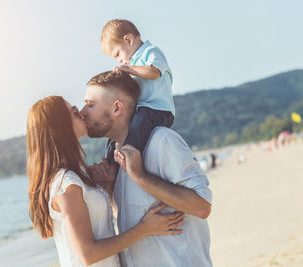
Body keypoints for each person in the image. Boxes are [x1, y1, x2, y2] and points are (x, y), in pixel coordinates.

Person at [26, 96, 184, 267]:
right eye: (73, 111)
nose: (80, 112)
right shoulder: (66, 182)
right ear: (60, 126)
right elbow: (88, 254)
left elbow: (99, 228)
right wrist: (144, 228)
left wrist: (106, 189)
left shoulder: (74, 176)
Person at [80, 71, 213, 266]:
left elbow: (202, 207)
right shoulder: (113, 157)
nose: (82, 112)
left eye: (90, 105)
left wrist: (140, 176)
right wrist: (108, 192)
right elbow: (131, 213)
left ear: (117, 108)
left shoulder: (162, 141)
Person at [100, 19, 175, 163]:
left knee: (139, 123)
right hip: (142, 110)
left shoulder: (151, 51)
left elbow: (153, 71)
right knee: (115, 130)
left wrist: (128, 69)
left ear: (128, 40)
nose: (119, 61)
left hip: (158, 110)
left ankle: (127, 160)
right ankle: (109, 163)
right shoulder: (132, 64)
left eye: (117, 54)